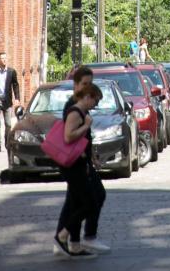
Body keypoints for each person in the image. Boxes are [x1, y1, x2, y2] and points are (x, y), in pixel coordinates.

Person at [54, 73, 107, 258]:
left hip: (80, 162)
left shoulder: (82, 111)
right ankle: (63, 237)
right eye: (95, 100)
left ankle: (73, 243)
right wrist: (86, 125)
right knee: (88, 202)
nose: (96, 104)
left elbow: (85, 140)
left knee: (79, 202)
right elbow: (69, 136)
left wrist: (91, 157)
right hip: (73, 164)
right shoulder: (74, 110)